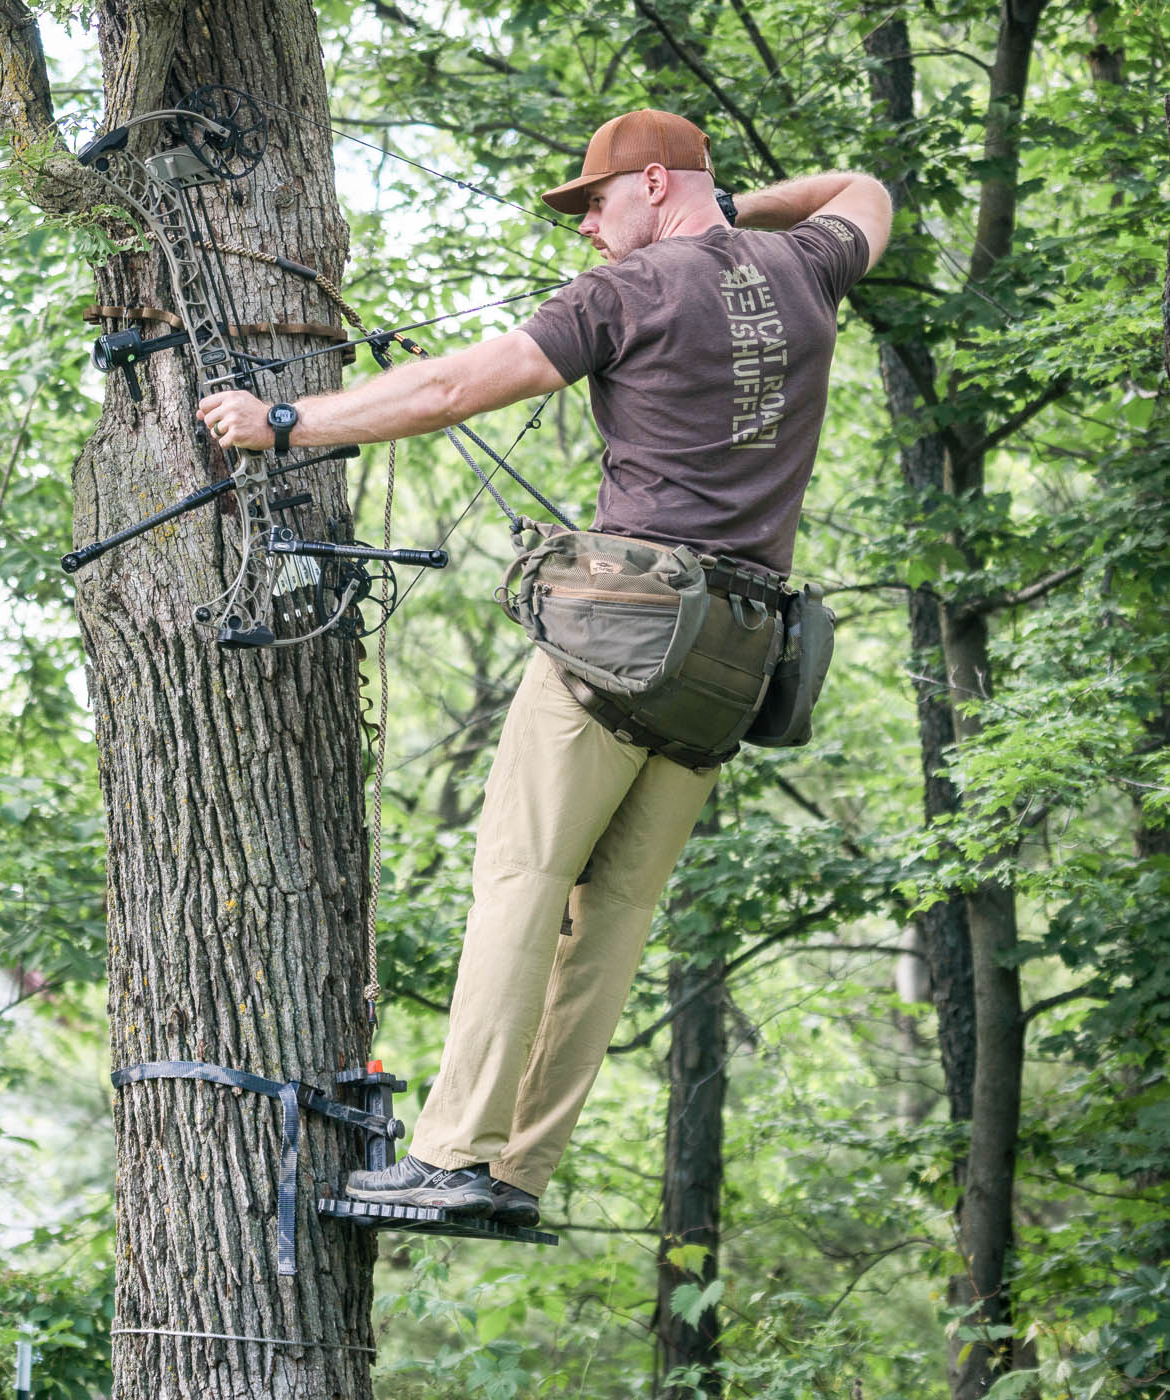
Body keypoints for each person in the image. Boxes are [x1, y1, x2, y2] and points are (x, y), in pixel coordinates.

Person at [194, 109, 890, 1227]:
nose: (591, 235)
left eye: (599, 205)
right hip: (736, 661)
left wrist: (284, 418)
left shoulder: (630, 292)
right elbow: (864, 188)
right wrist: (731, 215)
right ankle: (517, 1175)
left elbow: (450, 390)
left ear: (654, 184)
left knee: (522, 879)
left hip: (627, 640)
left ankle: (454, 1154)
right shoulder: (805, 266)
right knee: (609, 916)